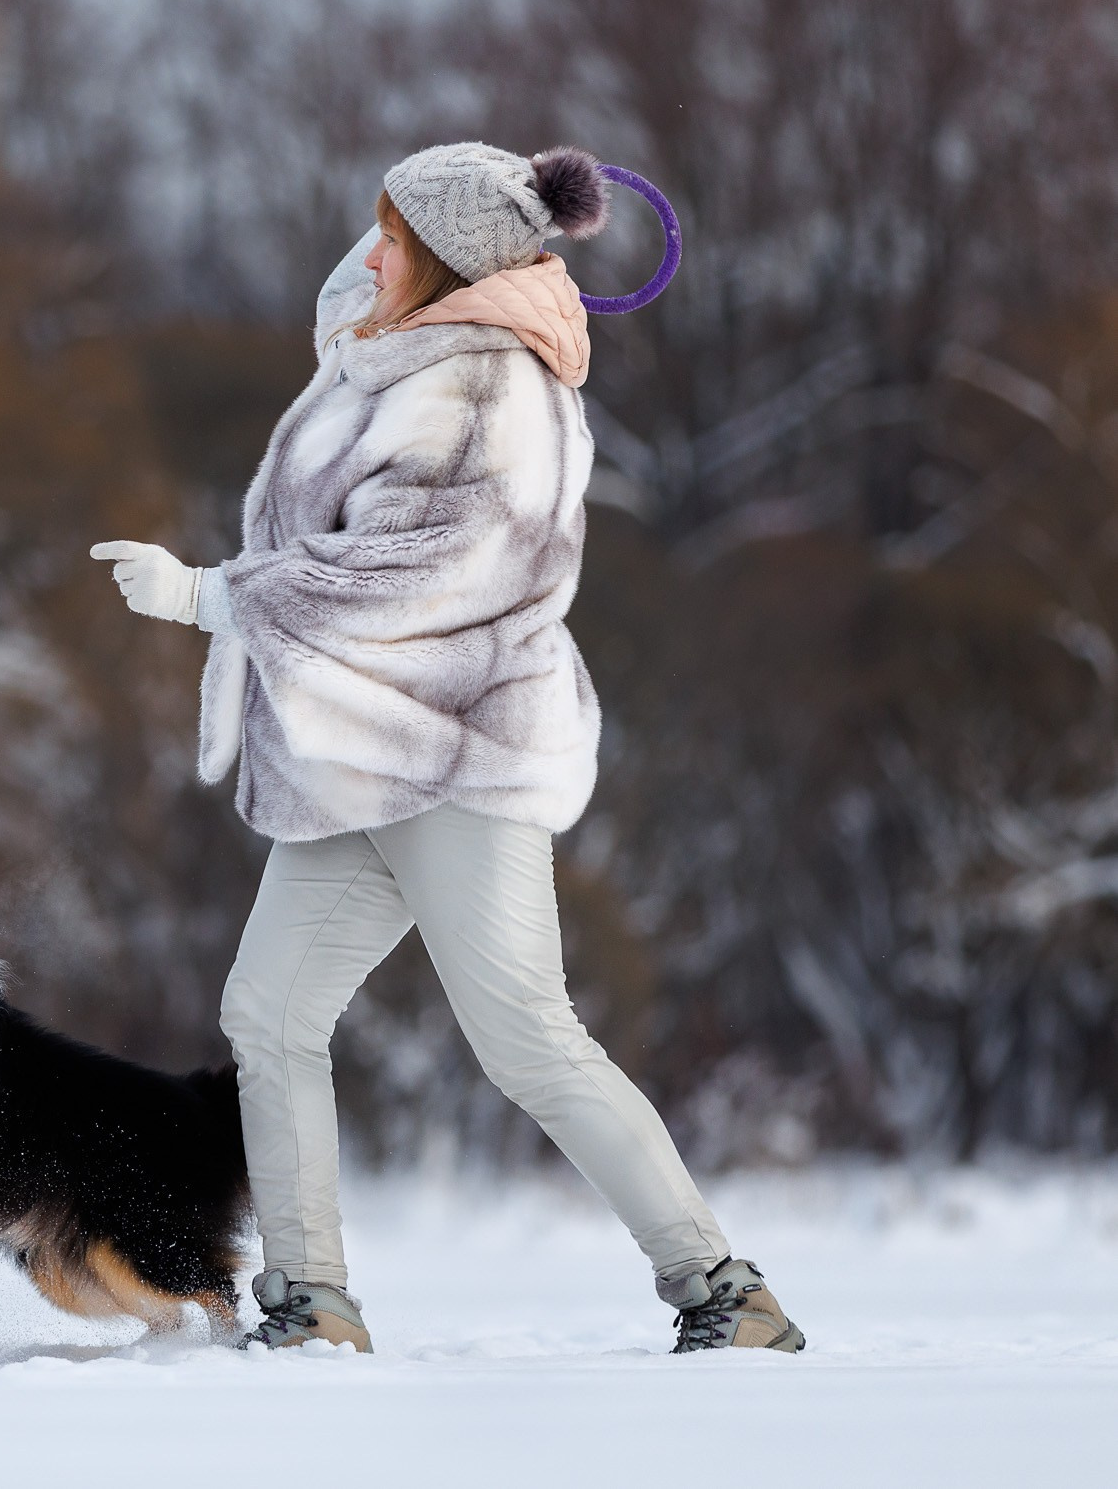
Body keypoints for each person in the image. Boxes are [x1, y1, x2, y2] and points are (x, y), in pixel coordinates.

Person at [90, 143, 803, 1356]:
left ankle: (721, 1290)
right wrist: (412, 245)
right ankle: (311, 1302)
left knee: (527, 1034)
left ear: (449, 262)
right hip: (360, 761)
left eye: (393, 234)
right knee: (267, 1011)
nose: (369, 251)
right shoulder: (396, 355)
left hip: (458, 752)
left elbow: (414, 573)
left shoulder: (484, 386)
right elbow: (351, 313)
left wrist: (211, 596)